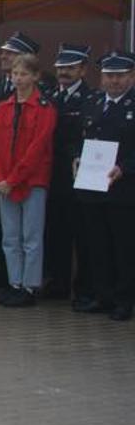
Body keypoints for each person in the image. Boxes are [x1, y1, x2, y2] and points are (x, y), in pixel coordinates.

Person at [0, 56, 57, 307]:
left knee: (32, 237)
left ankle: (29, 286)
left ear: (35, 76)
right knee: (10, 236)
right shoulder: (3, 107)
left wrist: (13, 179)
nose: (18, 78)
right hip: (4, 182)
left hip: (32, 181)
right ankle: (14, 282)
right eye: (15, 73)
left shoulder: (45, 108)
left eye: (24, 74)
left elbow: (37, 149)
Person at [75, 50, 135, 321]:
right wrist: (77, 158)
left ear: (131, 77)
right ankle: (102, 296)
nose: (114, 81)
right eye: (110, 76)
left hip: (123, 189)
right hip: (92, 186)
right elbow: (82, 137)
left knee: (122, 247)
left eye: (120, 76)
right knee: (96, 245)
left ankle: (124, 300)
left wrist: (125, 167)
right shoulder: (94, 101)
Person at [45, 44, 94, 301]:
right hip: (51, 176)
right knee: (56, 232)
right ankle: (58, 282)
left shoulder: (90, 98)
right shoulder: (51, 97)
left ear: (83, 70)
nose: (64, 72)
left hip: (77, 176)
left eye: (71, 68)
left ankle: (83, 287)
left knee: (81, 234)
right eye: (61, 68)